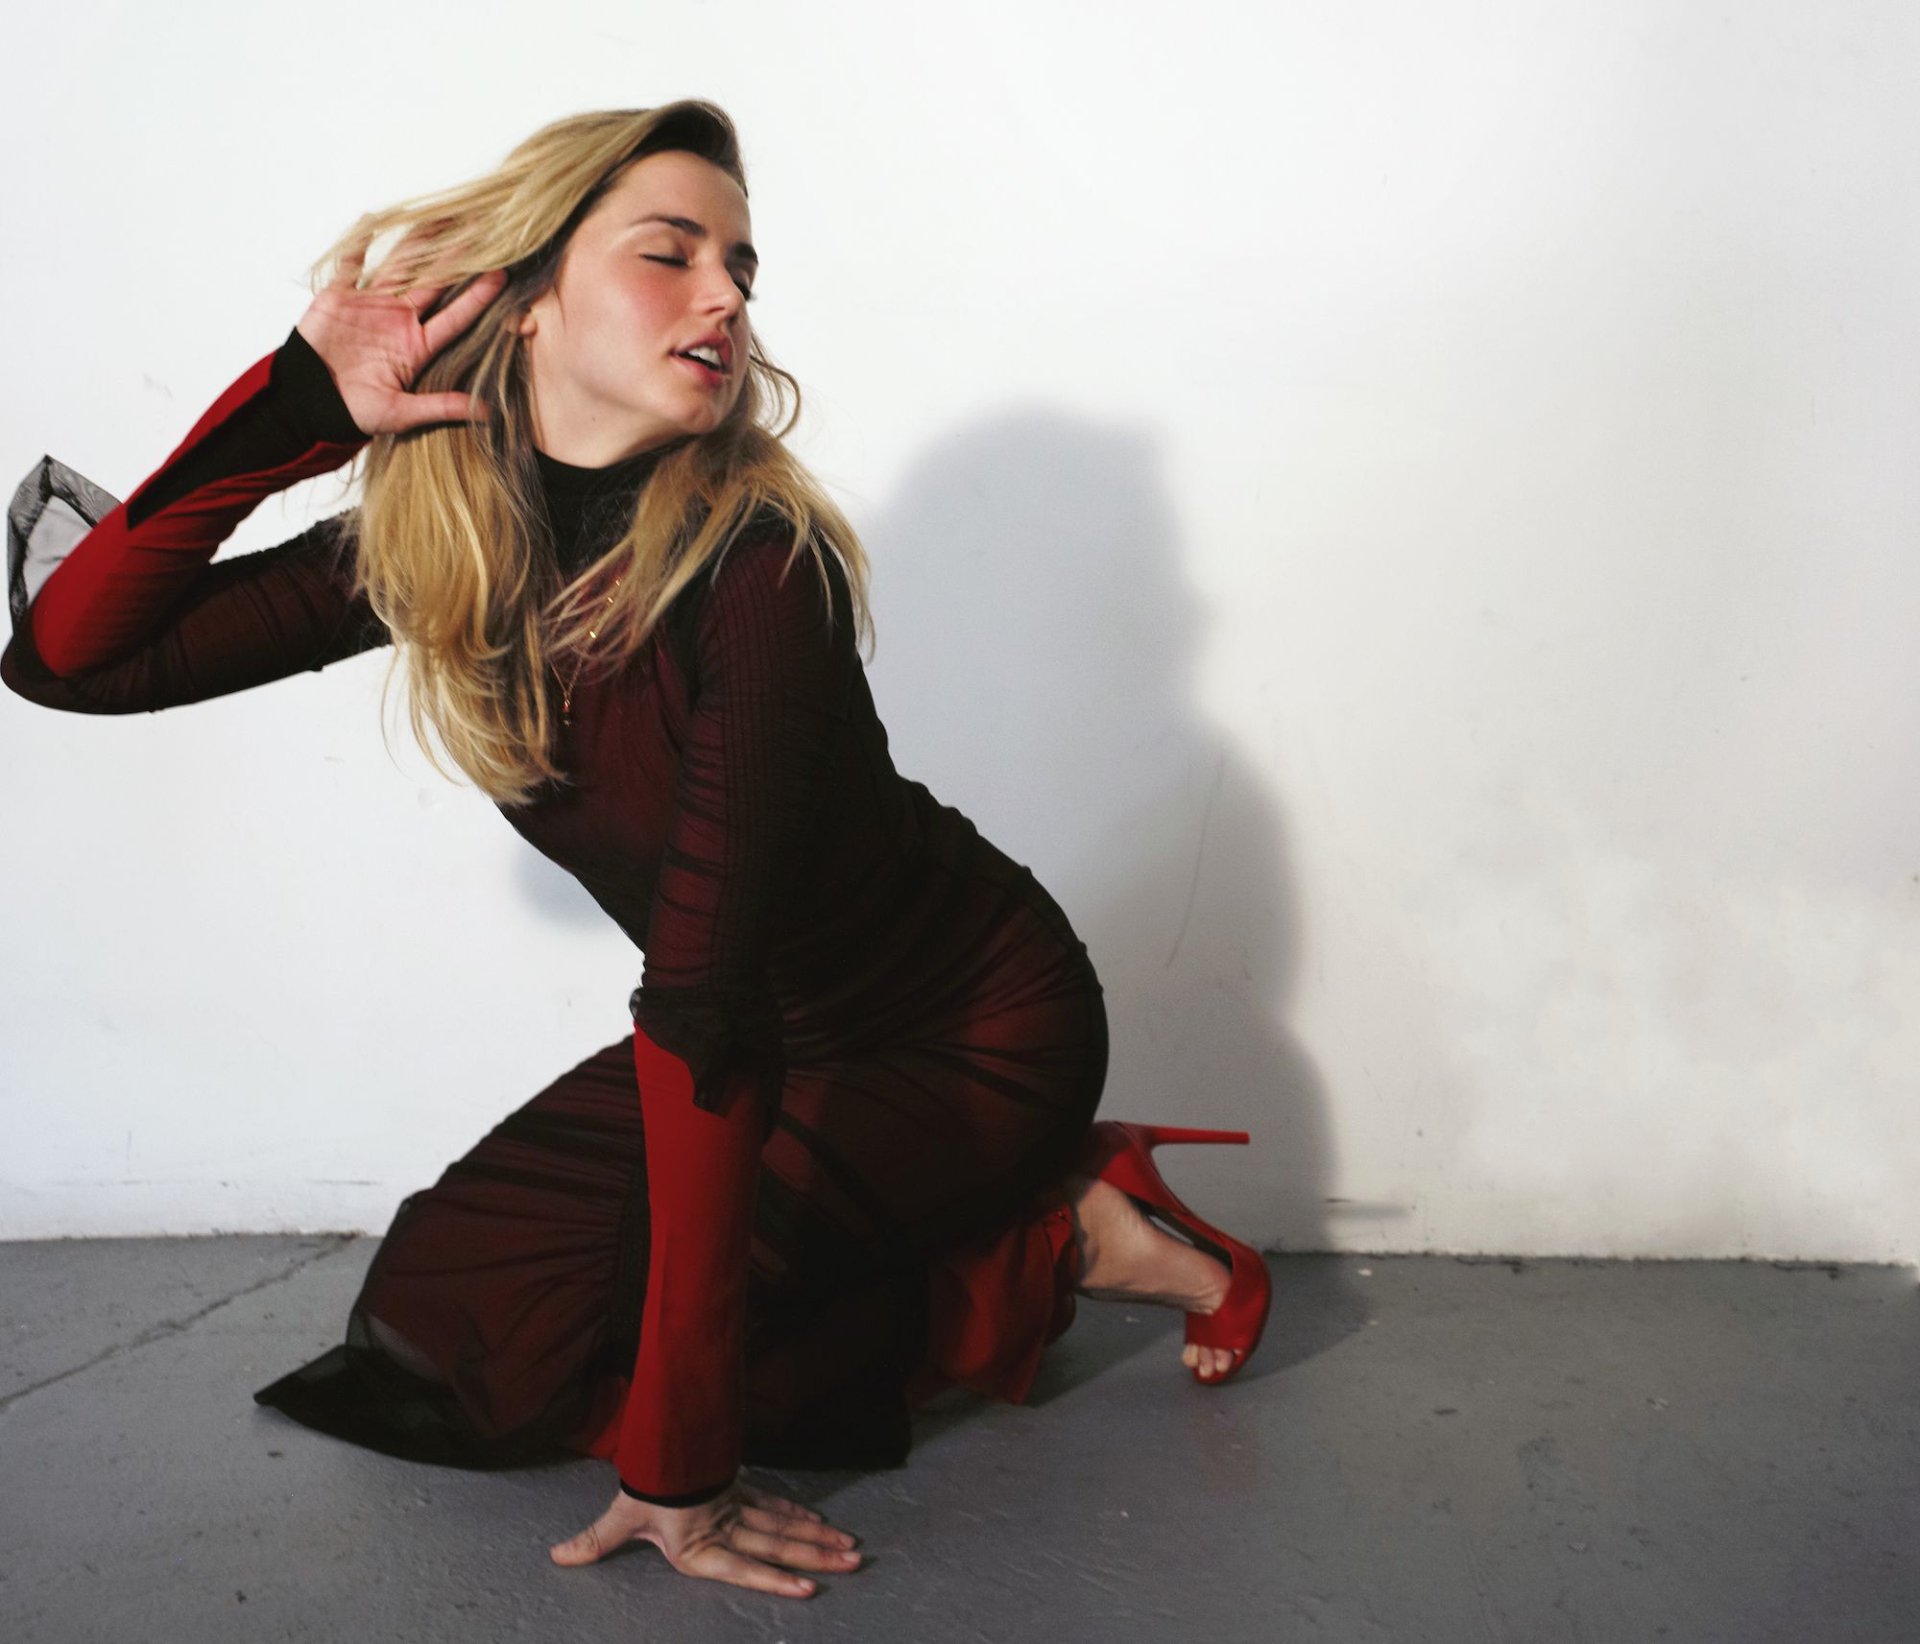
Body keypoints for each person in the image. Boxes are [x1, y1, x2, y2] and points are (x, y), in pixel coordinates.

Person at [1, 100, 1271, 1601]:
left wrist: (681, 1467)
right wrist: (297, 408)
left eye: (739, 263)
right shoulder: (447, 542)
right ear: (526, 299)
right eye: (670, 254)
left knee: (653, 1337)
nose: (726, 294)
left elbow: (704, 1008)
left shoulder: (752, 568)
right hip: (762, 1025)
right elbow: (73, 659)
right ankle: (1053, 1222)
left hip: (964, 1033)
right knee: (450, 1311)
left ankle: (1059, 1237)